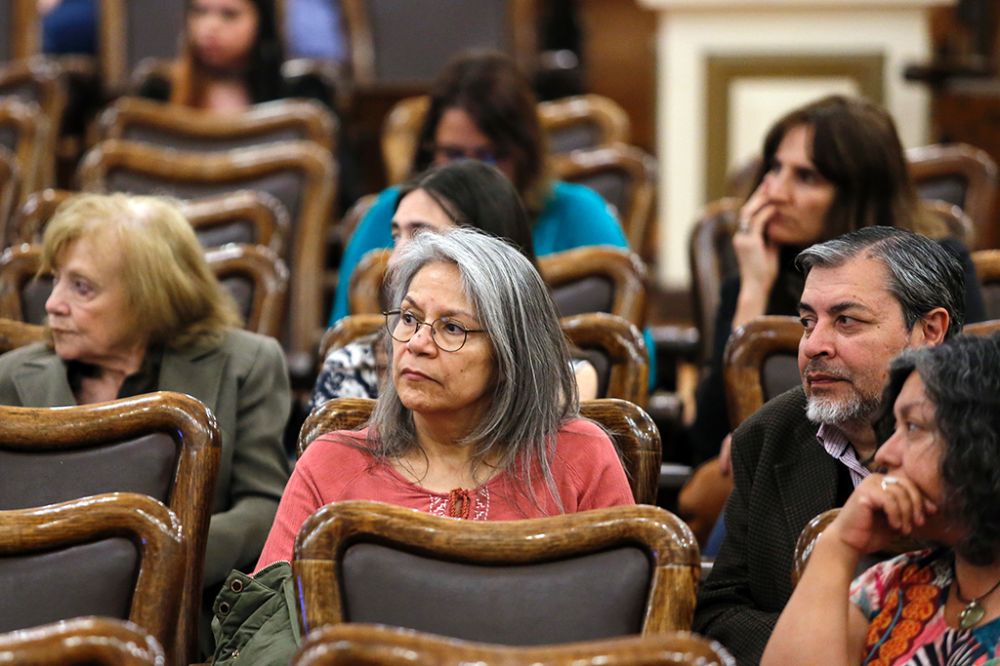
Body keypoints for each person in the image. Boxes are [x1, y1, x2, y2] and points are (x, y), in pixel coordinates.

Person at [679, 95, 986, 548]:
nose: (775, 191)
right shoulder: (757, 275)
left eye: (806, 177)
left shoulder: (937, 265)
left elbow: (967, 391)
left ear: (859, 191)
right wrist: (751, 293)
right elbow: (706, 443)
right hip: (788, 473)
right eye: (774, 168)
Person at [0, 193, 291, 650]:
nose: (52, 304)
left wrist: (159, 562)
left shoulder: (246, 363)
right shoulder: (10, 375)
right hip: (25, 619)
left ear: (150, 295)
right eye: (55, 281)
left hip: (180, 621)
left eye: (82, 288)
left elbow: (264, 505)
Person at [257, 228, 634, 569]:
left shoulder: (580, 457)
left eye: (451, 328)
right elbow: (270, 625)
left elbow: (626, 625)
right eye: (408, 318)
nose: (417, 344)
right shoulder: (330, 464)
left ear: (509, 356)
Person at [693, 226, 966, 664]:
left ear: (929, 331)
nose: (813, 345)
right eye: (807, 322)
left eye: (846, 321)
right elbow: (719, 613)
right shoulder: (767, 436)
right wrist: (829, 644)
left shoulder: (981, 447)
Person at [329, 51, 629, 324]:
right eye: (453, 154)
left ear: (524, 155)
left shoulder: (579, 213)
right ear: (429, 151)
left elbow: (633, 350)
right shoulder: (390, 213)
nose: (469, 169)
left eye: (489, 156)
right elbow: (342, 336)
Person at [762, 333, 1000, 665]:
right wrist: (838, 545)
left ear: (987, 444)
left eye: (914, 427)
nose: (884, 454)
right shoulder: (890, 588)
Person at [310, 160, 598, 410]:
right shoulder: (351, 367)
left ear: (484, 247)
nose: (395, 260)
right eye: (396, 236)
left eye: (422, 236)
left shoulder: (567, 380)